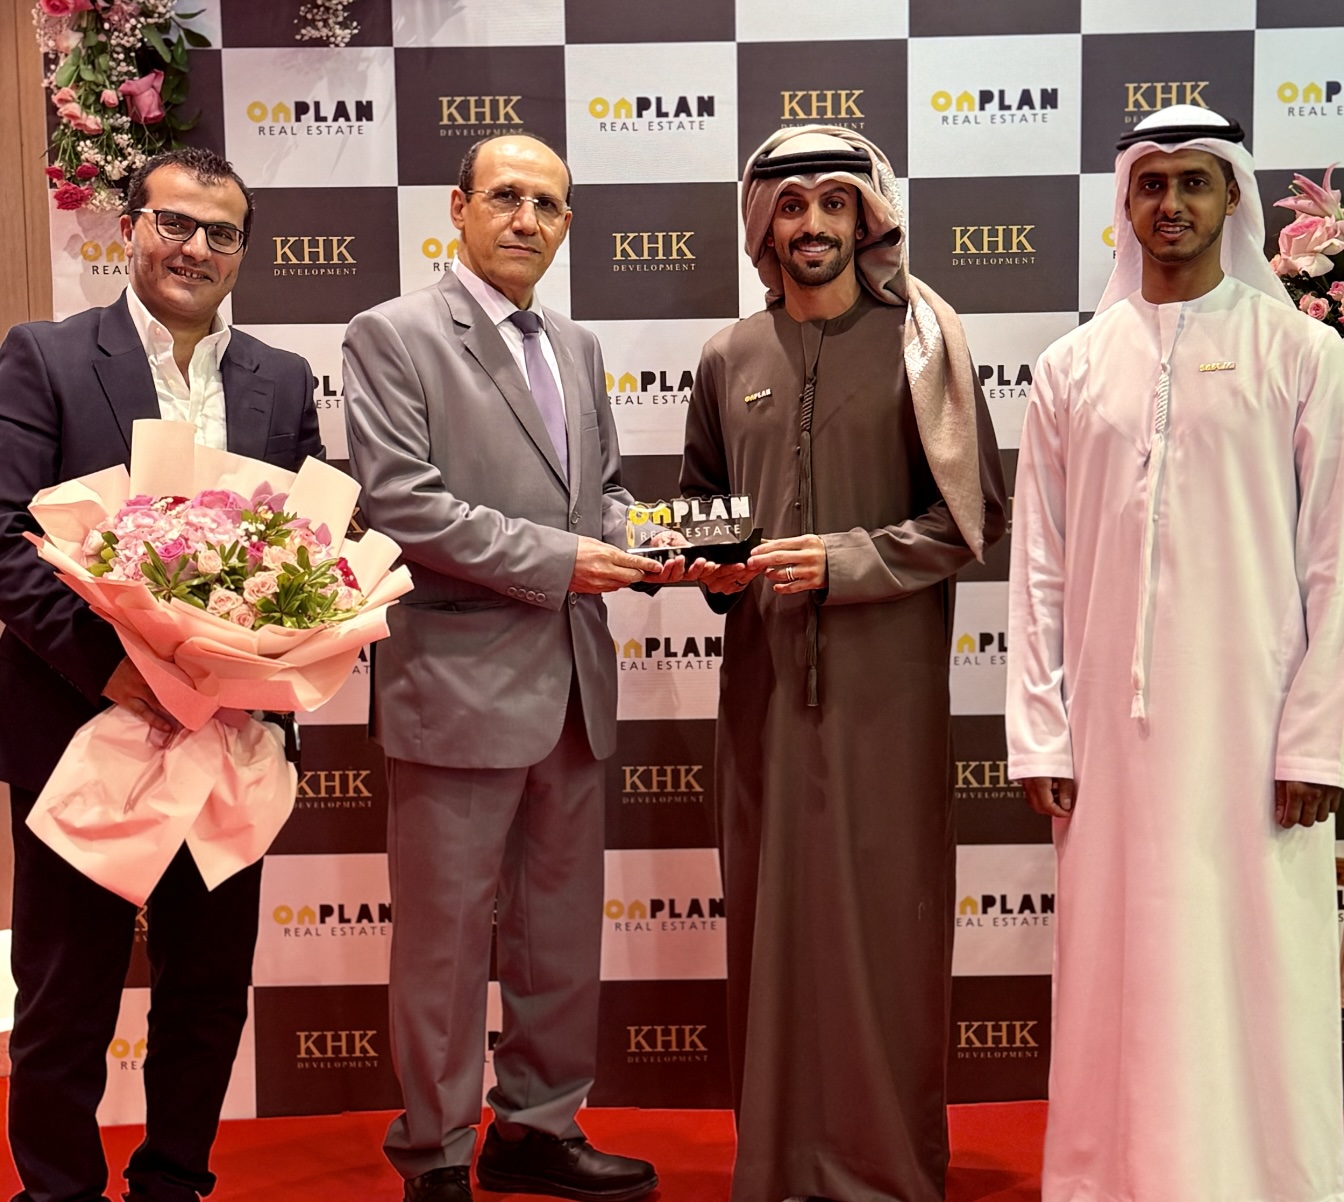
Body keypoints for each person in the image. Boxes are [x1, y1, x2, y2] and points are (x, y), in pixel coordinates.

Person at [1006, 104, 1344, 1202]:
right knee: (1119, 966)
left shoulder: (1303, 352)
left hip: (1257, 733)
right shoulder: (1072, 367)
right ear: (1125, 201)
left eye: (1195, 182)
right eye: (1151, 184)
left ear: (1233, 195)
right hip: (1112, 740)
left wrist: (1317, 740)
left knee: (1262, 964)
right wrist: (1041, 729)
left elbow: (1335, 559)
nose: (1172, 204)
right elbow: (1039, 564)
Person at [677, 126, 1006, 1202]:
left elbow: (970, 517)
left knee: (884, 926)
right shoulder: (728, 356)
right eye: (791, 203)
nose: (812, 223)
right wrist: (706, 560)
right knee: (771, 925)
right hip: (764, 690)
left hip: (886, 692)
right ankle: (777, 1165)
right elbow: (707, 505)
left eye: (833, 201)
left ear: (868, 217)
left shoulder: (924, 342)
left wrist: (849, 559)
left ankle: (886, 1168)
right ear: (761, 223)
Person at [342, 133, 663, 1202]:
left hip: (573, 685)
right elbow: (404, 504)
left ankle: (538, 1127)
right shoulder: (392, 334)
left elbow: (602, 489)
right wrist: (566, 560)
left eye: (549, 205)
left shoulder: (577, 343)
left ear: (568, 225)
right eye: (507, 197)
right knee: (442, 946)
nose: (528, 219)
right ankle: (435, 1151)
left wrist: (644, 540)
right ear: (460, 207)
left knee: (558, 934)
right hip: (454, 687)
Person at [0, 147, 323, 1202]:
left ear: (243, 250)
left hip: (227, 735)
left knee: (208, 990)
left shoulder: (281, 378)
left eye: (220, 233)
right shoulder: (46, 356)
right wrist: (113, 670)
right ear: (130, 227)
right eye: (173, 223)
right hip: (86, 727)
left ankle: (175, 1181)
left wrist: (275, 670)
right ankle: (57, 1190)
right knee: (64, 995)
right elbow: (7, 538)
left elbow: (311, 555)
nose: (195, 248)